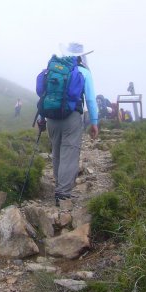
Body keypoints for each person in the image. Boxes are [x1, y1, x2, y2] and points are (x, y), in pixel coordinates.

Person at [36, 42, 99, 206]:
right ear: (82, 56)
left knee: (56, 152)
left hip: (51, 118)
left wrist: (42, 119)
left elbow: (44, 96)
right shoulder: (84, 72)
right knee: (69, 154)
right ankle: (63, 195)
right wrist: (94, 122)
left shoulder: (55, 70)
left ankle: (59, 187)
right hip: (71, 117)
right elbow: (91, 100)